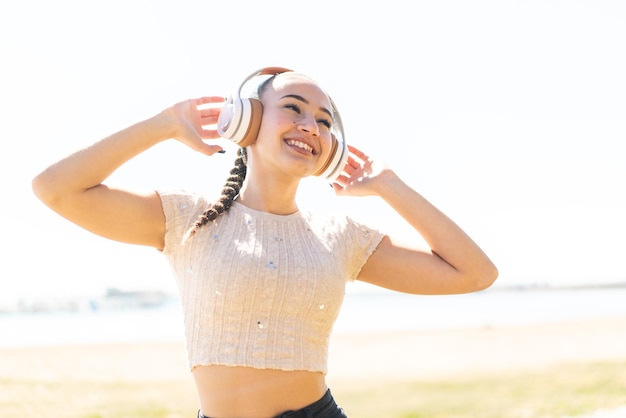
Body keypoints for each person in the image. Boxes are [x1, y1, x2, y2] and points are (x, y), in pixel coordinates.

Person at [32, 66, 498, 418]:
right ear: (247, 123)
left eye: (323, 120)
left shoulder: (342, 237)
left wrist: (389, 185)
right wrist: (166, 124)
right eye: (293, 108)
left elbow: (475, 273)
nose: (310, 126)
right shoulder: (186, 217)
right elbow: (55, 188)